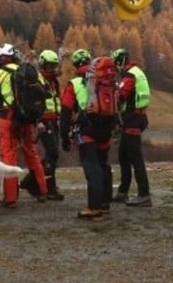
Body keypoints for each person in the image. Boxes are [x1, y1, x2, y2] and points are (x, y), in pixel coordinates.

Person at [0, 43, 47, 208]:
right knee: (32, 155)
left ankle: (11, 199)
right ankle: (43, 191)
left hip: (8, 120)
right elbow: (45, 91)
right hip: (27, 119)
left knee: (9, 158)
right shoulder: (29, 71)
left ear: (0, 58)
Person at [60, 49, 117, 219]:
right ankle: (106, 203)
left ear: (76, 65)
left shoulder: (75, 84)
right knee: (103, 164)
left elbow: (65, 111)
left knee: (92, 167)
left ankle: (94, 207)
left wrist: (64, 135)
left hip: (87, 130)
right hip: (106, 128)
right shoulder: (106, 80)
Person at [110, 48, 152, 207]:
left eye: (116, 64)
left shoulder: (129, 76)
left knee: (135, 158)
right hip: (137, 117)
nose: (115, 68)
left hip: (132, 119)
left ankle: (144, 194)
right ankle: (123, 191)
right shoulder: (137, 72)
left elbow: (121, 96)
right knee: (123, 155)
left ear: (120, 61)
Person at [33, 49, 65, 201]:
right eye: (49, 66)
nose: (52, 69)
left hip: (54, 120)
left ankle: (34, 181)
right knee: (53, 152)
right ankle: (48, 188)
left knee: (52, 154)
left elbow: (57, 99)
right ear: (42, 65)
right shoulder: (38, 80)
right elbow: (34, 102)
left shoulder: (53, 81)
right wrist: (38, 121)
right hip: (44, 121)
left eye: (54, 66)